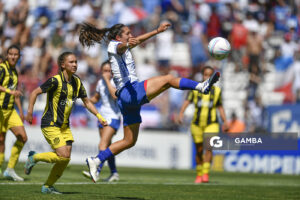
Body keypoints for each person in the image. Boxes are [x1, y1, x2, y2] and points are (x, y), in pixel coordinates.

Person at [79, 22, 220, 182]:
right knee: (168, 78)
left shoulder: (123, 45)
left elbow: (135, 42)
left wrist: (157, 31)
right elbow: (122, 47)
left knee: (129, 141)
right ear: (118, 37)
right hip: (129, 92)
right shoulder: (114, 46)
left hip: (126, 99)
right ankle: (201, 86)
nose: (130, 35)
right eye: (127, 33)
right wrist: (128, 44)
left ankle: (97, 160)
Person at [24, 52, 107, 194]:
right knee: (62, 155)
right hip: (50, 123)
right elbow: (34, 93)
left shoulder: (77, 82)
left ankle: (48, 186)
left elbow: (87, 102)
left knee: (65, 158)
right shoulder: (55, 81)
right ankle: (34, 157)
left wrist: (98, 115)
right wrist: (30, 112)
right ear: (63, 65)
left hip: (64, 126)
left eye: (76, 62)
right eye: (71, 62)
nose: (75, 64)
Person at [178, 66, 228, 184]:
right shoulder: (195, 89)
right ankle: (199, 173)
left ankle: (205, 173)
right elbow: (187, 101)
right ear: (202, 76)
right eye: (205, 74)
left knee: (209, 148)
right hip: (197, 124)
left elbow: (220, 106)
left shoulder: (217, 91)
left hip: (212, 124)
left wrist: (225, 121)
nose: (207, 77)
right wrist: (181, 113)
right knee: (199, 150)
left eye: (209, 75)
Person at [82, 61, 121, 182]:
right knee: (107, 147)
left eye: (109, 71)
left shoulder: (115, 82)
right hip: (102, 117)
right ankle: (114, 173)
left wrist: (107, 80)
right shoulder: (100, 83)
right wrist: (86, 101)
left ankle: (96, 171)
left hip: (113, 117)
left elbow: (115, 96)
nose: (107, 73)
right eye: (105, 71)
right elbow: (96, 98)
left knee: (102, 145)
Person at [0, 45, 27, 181]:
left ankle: (10, 169)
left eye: (16, 54)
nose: (13, 56)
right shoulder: (2, 68)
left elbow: (16, 94)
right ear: (7, 55)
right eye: (10, 54)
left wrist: (21, 112)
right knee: (1, 140)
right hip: (0, 110)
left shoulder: (15, 71)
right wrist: (10, 91)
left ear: (19, 57)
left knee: (22, 137)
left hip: (10, 111)